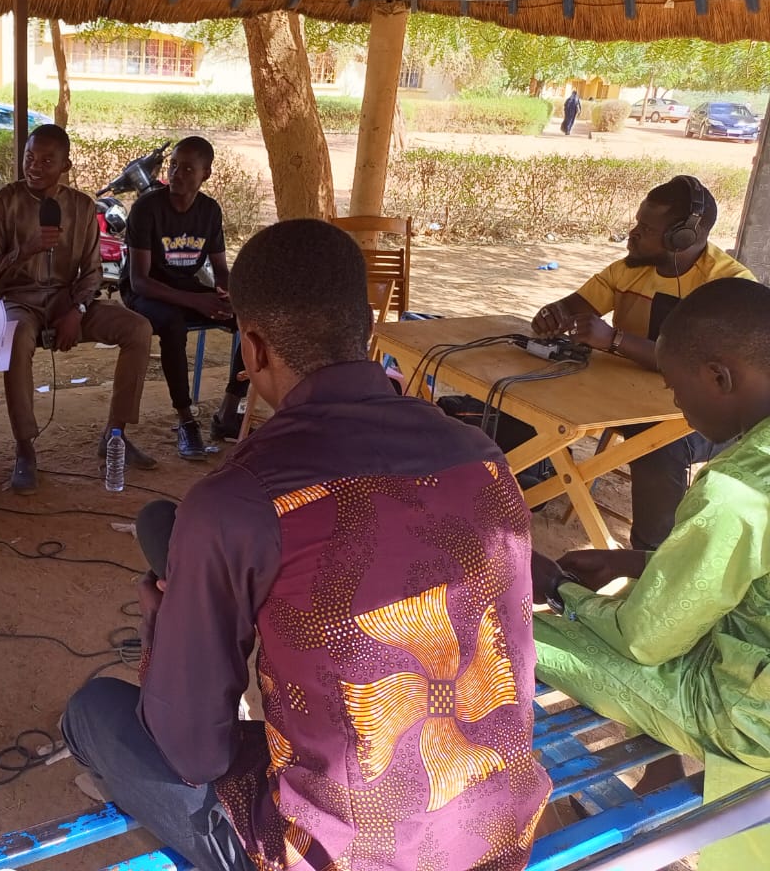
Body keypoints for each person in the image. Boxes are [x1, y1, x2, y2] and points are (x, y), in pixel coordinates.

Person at [62, 220, 551, 871]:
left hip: (344, 854)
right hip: (494, 830)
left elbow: (194, 754)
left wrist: (162, 628)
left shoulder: (242, 498)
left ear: (254, 348)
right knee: (172, 529)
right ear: (367, 334)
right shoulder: (484, 460)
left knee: (94, 712)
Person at [532, 277, 770, 864]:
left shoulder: (735, 490)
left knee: (517, 632)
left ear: (719, 376)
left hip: (754, 719)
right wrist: (641, 562)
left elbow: (645, 640)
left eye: (677, 388)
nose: (677, 405)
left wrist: (559, 591)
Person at [532, 175, 754, 548]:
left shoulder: (728, 288)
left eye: (646, 228)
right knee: (533, 390)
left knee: (657, 445)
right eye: (637, 223)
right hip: (630, 398)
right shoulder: (629, 269)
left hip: (712, 420)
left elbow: (703, 373)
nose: (633, 234)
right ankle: (524, 490)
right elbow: (572, 308)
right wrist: (552, 315)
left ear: (681, 238)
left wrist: (615, 340)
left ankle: (651, 560)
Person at [0, 124, 155, 493]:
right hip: (16, 301)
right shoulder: (2, 202)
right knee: (16, 339)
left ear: (66, 165)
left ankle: (115, 435)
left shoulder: (81, 206)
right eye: (30, 157)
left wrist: (76, 309)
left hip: (67, 299)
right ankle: (26, 448)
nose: (35, 166)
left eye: (47, 160)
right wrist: (24, 249)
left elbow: (92, 273)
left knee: (138, 329)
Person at [120, 136, 247, 457]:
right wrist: (198, 301)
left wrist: (228, 295)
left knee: (250, 320)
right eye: (173, 165)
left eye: (187, 168)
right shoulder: (147, 208)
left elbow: (220, 267)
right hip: (144, 292)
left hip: (183, 285)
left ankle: (229, 411)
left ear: (206, 174)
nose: (176, 173)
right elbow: (139, 280)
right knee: (173, 325)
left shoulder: (208, 211)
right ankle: (187, 421)